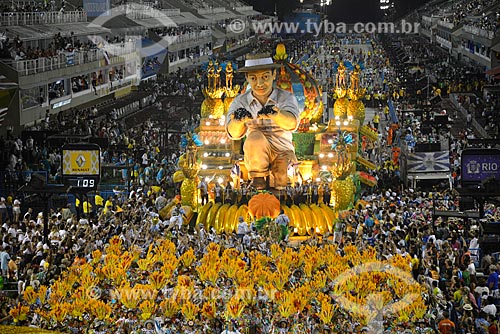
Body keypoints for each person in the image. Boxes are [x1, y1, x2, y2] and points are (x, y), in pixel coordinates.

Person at [226, 53, 300, 190]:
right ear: (247, 78)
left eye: (265, 77)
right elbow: (233, 133)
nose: (259, 84)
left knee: (281, 182)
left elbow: (291, 123)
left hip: (282, 151)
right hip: (256, 155)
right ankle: (258, 177)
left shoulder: (286, 97)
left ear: (274, 75)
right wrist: (238, 121)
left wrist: (276, 115)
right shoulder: (240, 102)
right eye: (254, 78)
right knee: (255, 137)